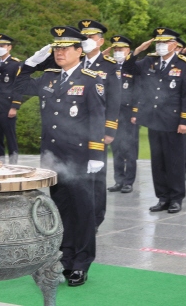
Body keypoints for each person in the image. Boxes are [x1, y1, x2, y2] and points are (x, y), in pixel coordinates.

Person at [13, 26, 106, 287]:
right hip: (54, 158)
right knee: (60, 209)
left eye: (65, 48)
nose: (59, 52)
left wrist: (96, 153)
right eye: (56, 48)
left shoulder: (91, 79)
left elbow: (97, 117)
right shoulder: (48, 77)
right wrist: (30, 63)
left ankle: (81, 263)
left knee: (83, 211)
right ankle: (63, 258)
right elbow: (17, 85)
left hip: (80, 157)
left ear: (80, 51)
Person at [123, 28, 186, 213]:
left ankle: (176, 198)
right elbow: (128, 68)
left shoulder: (184, 64)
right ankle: (162, 198)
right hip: (154, 120)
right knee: (158, 161)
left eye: (164, 43)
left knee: (175, 162)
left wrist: (185, 120)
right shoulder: (150, 61)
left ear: (174, 45)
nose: (160, 46)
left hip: (173, 121)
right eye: (158, 43)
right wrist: (137, 52)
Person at [77, 20, 122, 229]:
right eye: (84, 36)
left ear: (101, 41)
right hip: (76, 127)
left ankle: (95, 218)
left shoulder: (110, 65)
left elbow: (114, 99)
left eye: (91, 37)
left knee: (96, 175)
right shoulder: (75, 61)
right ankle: (79, 214)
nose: (86, 41)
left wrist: (110, 129)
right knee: (77, 172)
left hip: (98, 127)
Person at [106, 35, 139, 193]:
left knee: (129, 148)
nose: (118, 52)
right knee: (116, 147)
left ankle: (128, 181)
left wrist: (135, 112)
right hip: (113, 112)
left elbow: (139, 90)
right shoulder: (109, 67)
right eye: (115, 49)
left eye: (121, 50)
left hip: (128, 113)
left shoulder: (133, 67)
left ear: (128, 51)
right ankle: (118, 180)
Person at [0, 33, 23, 165]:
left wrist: (14, 106)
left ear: (9, 47)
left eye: (2, 45)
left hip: (7, 106)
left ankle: (13, 163)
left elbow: (19, 86)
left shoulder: (16, 64)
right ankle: (0, 161)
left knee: (10, 137)